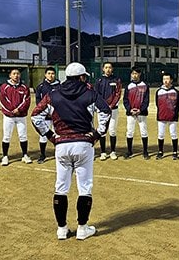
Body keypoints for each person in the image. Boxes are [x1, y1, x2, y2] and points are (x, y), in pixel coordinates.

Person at [31, 62, 111, 241]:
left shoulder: (53, 94)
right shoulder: (90, 93)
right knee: (85, 187)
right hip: (83, 143)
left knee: (61, 187)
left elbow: (36, 116)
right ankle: (82, 228)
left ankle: (62, 229)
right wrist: (97, 134)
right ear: (82, 77)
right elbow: (105, 111)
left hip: (62, 145)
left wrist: (51, 136)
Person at [0, 68, 32, 166]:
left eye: (18, 73)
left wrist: (19, 110)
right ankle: (5, 156)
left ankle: (25, 155)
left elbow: (26, 101)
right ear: (10, 75)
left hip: (21, 116)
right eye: (14, 73)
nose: (16, 75)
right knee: (6, 136)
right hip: (8, 116)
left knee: (23, 135)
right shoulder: (4, 87)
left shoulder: (24, 87)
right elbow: (3, 100)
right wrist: (12, 110)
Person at [94, 62, 122, 161]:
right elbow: (96, 94)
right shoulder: (99, 80)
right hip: (102, 110)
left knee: (112, 130)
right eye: (106, 67)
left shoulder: (116, 80)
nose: (108, 69)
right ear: (103, 69)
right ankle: (103, 152)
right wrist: (103, 106)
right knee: (102, 130)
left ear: (112, 69)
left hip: (113, 109)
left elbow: (118, 94)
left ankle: (113, 151)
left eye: (110, 67)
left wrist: (111, 105)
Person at [123, 66, 149, 159]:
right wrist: (129, 109)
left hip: (141, 113)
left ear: (139, 74)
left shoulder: (145, 85)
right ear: (131, 75)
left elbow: (146, 100)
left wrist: (140, 110)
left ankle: (145, 151)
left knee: (144, 132)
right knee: (129, 132)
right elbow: (125, 100)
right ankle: (129, 151)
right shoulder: (128, 86)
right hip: (131, 113)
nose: (135, 75)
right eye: (133, 73)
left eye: (136, 73)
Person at [35, 66, 60, 163]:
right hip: (45, 116)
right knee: (43, 135)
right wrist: (45, 112)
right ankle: (42, 155)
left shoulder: (60, 86)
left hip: (56, 115)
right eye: (49, 73)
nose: (51, 75)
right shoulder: (41, 87)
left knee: (57, 134)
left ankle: (58, 153)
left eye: (52, 73)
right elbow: (38, 102)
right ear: (45, 75)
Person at [155, 73, 179, 160]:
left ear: (171, 80)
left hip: (172, 117)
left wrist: (175, 113)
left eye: (167, 79)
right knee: (161, 134)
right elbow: (157, 104)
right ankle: (160, 152)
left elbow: (178, 104)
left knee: (173, 134)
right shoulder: (158, 91)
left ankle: (175, 152)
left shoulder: (176, 92)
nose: (166, 81)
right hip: (161, 116)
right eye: (164, 79)